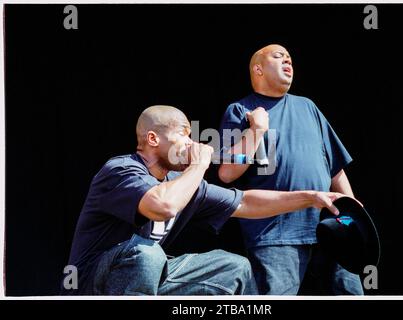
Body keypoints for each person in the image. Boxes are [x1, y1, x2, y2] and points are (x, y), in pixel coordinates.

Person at [63, 105, 344, 296]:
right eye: (183, 135)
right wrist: (198, 166)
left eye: (191, 136)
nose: (191, 143)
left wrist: (309, 198)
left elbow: (246, 203)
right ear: (152, 138)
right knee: (148, 254)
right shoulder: (121, 170)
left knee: (233, 266)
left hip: (148, 276)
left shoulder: (182, 184)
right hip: (93, 283)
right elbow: (162, 206)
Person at [218, 44, 364, 295]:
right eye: (279, 56)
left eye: (290, 59)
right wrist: (256, 130)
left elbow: (335, 168)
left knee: (350, 293)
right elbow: (227, 173)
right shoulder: (241, 110)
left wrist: (352, 212)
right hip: (275, 233)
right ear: (258, 68)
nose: (288, 61)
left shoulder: (308, 107)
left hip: (331, 226)